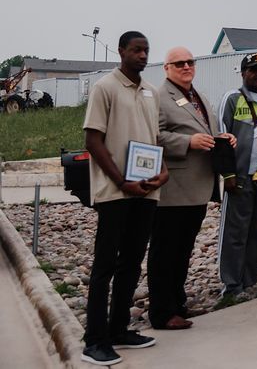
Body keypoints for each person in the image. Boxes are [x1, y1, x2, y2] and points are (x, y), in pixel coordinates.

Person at [81, 31, 168, 366]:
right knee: (105, 266)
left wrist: (162, 171)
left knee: (131, 263)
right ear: (121, 51)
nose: (142, 55)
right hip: (116, 192)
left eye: (146, 50)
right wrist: (121, 181)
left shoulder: (149, 91)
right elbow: (93, 140)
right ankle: (95, 340)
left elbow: (154, 138)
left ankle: (119, 329)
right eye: (136, 50)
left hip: (146, 191)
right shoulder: (106, 87)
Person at [151, 47, 231, 331]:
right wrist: (188, 143)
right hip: (174, 188)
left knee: (183, 249)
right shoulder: (160, 98)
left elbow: (203, 132)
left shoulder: (198, 96)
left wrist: (219, 138)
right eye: (179, 63)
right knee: (165, 251)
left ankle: (178, 302)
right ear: (167, 67)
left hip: (197, 187)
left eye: (190, 62)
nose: (186, 67)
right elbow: (154, 136)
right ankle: (161, 311)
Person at [216, 53, 257, 299]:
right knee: (235, 233)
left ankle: (249, 280)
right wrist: (229, 174)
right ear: (243, 73)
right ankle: (231, 285)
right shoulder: (232, 99)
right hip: (241, 178)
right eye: (253, 70)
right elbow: (222, 138)